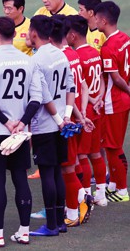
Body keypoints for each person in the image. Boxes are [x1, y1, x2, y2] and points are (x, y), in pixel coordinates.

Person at [0, 17, 41, 247]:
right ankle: (24, 231)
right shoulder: (28, 60)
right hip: (20, 133)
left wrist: (6, 122)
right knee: (20, 179)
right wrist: (20, 123)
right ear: (15, 35)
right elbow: (37, 98)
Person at [26, 15, 75, 236]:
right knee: (57, 171)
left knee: (47, 173)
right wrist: (66, 117)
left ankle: (52, 225)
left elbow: (43, 96)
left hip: (45, 125)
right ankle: (61, 221)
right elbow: (70, 87)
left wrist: (57, 119)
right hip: (60, 124)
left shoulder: (36, 61)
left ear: (35, 33)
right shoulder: (61, 55)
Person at [49, 16, 94, 227]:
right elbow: (83, 86)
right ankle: (77, 202)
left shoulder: (60, 58)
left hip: (66, 120)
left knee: (66, 168)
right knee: (73, 163)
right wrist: (83, 113)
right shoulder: (74, 54)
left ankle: (77, 207)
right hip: (75, 116)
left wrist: (75, 114)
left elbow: (70, 91)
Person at [64, 15, 108, 207]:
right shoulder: (94, 51)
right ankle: (101, 193)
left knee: (80, 157)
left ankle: (84, 197)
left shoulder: (77, 56)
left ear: (72, 35)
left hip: (85, 111)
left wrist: (89, 102)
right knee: (96, 153)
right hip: (97, 108)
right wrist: (98, 97)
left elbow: (80, 86)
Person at [94, 1, 130, 203]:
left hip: (114, 101)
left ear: (104, 20)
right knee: (114, 145)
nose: (95, 21)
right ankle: (114, 185)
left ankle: (122, 190)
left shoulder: (108, 47)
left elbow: (116, 78)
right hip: (122, 101)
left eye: (97, 18)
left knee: (112, 146)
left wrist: (127, 89)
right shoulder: (125, 38)